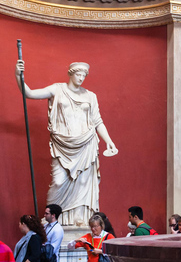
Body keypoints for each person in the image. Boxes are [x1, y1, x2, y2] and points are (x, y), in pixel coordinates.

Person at [15, 60, 118, 227]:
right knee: (58, 181)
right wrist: (18, 75)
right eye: (78, 74)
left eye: (84, 75)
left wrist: (109, 141)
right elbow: (30, 93)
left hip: (86, 143)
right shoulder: (57, 89)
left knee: (83, 183)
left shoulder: (90, 96)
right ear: (70, 74)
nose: (81, 78)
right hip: (62, 144)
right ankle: (51, 217)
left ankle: (80, 219)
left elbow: (97, 121)